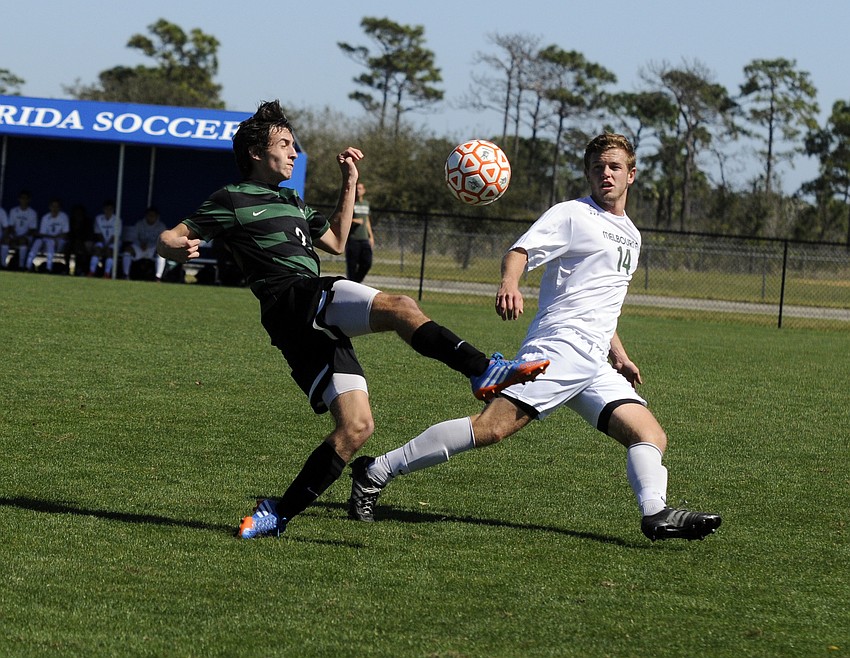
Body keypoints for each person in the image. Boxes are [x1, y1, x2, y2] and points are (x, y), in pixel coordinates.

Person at [156, 100, 549, 540]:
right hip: (292, 300)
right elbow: (171, 236)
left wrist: (350, 181)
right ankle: (482, 370)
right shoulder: (231, 198)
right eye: (285, 145)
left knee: (357, 428)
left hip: (305, 323)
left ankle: (276, 515)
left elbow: (339, 241)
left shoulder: (292, 200)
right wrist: (174, 248)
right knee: (401, 306)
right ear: (254, 153)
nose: (293, 153)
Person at [348, 133, 722, 543]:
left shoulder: (631, 233)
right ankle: (376, 470)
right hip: (559, 348)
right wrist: (510, 283)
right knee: (490, 429)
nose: (606, 175)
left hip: (594, 361)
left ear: (631, 175)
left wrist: (620, 355)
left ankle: (656, 513)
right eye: (598, 168)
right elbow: (519, 252)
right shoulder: (573, 215)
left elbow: (601, 300)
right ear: (588, 174)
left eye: (614, 167)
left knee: (649, 434)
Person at [121, 206, 167, 280]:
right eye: (149, 215)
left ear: (157, 216)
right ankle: (125, 275)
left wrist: (150, 245)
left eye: (153, 216)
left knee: (161, 253)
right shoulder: (139, 224)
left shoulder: (161, 226)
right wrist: (141, 244)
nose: (151, 217)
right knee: (127, 251)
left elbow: (162, 241)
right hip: (140, 247)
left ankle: (158, 277)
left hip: (152, 249)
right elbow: (134, 237)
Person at [26, 198, 70, 273]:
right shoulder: (45, 217)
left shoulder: (64, 217)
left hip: (59, 242)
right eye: (53, 206)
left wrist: (54, 238)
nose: (54, 208)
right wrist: (51, 237)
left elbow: (65, 233)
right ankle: (27, 266)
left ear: (60, 207)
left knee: (51, 243)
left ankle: (48, 268)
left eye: (57, 206)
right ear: (50, 207)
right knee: (37, 242)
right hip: (47, 241)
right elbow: (42, 234)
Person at [345, 181, 374, 282]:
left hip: (364, 239)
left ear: (364, 191)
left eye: (360, 188)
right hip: (353, 239)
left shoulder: (366, 204)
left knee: (367, 263)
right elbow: (344, 219)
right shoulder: (351, 203)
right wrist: (354, 220)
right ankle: (352, 285)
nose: (358, 190)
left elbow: (367, 221)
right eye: (357, 188)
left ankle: (356, 282)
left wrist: (371, 236)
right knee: (352, 266)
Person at [1, 190, 38, 270]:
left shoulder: (32, 213)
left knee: (22, 241)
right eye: (22, 198)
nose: (23, 200)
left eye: (25, 198)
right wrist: (14, 235)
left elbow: (32, 230)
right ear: (19, 199)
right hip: (14, 235)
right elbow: (10, 226)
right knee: (5, 240)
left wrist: (22, 236)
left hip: (26, 236)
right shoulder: (13, 211)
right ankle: (3, 265)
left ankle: (21, 266)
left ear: (29, 200)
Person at [88, 200, 122, 278]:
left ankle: (107, 273)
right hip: (102, 241)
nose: (108, 211)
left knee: (110, 251)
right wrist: (103, 244)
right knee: (97, 249)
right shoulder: (98, 218)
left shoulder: (117, 220)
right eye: (106, 209)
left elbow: (115, 236)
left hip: (114, 242)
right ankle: (91, 271)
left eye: (110, 209)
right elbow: (98, 233)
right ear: (104, 209)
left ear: (113, 210)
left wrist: (107, 245)